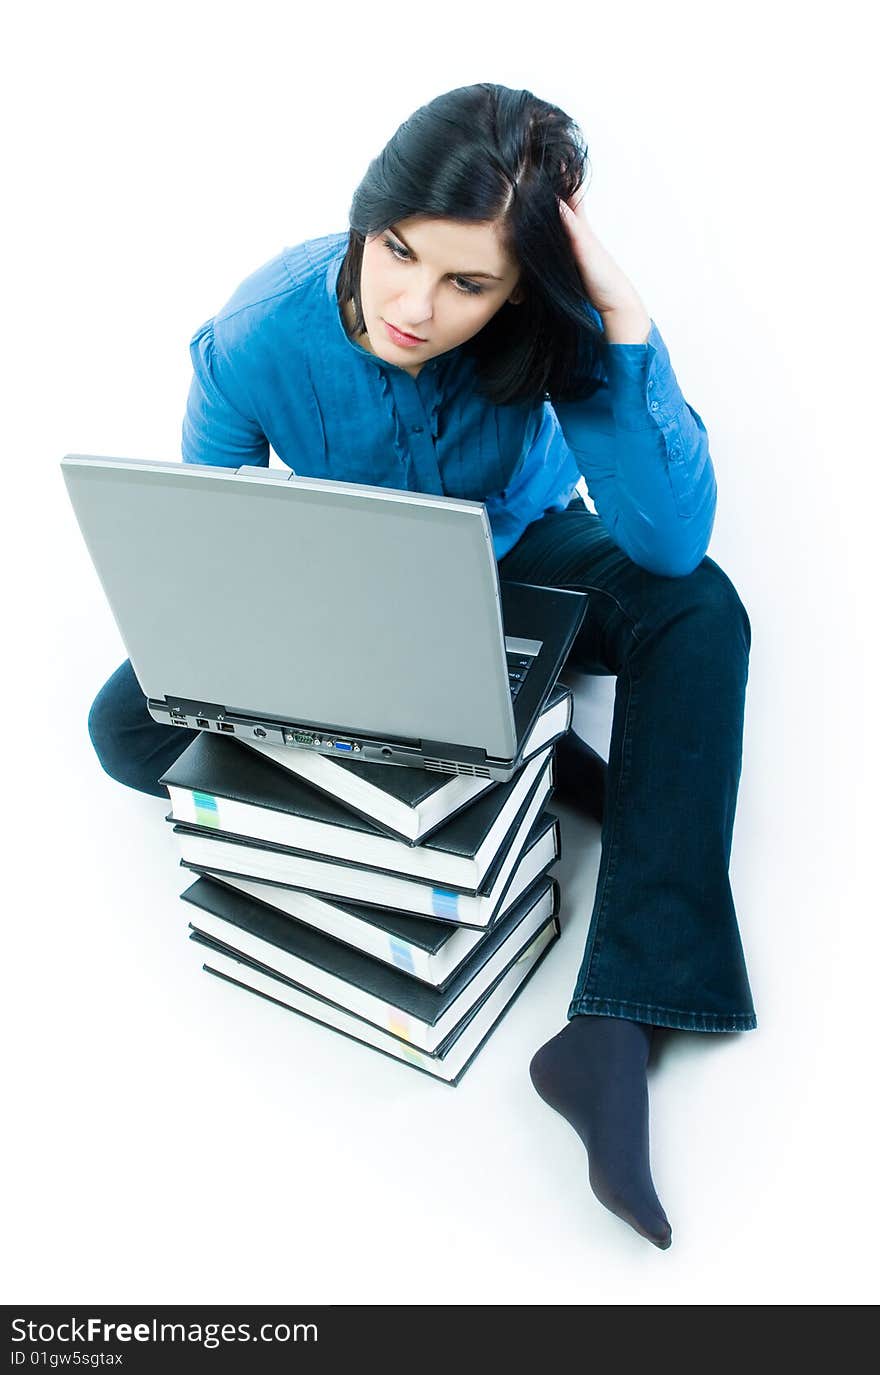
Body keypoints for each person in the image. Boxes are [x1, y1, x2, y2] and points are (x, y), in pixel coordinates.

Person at [87, 82, 755, 1249]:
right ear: (368, 215)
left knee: (696, 610)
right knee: (128, 728)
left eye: (468, 283)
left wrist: (621, 319)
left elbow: (665, 540)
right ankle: (529, 772)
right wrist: (299, 639)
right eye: (399, 252)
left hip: (520, 554)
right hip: (348, 579)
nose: (414, 305)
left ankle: (611, 1026)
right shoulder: (260, 330)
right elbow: (212, 532)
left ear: (514, 287)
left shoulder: (548, 329)